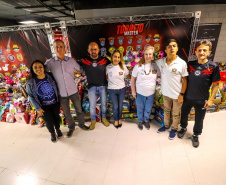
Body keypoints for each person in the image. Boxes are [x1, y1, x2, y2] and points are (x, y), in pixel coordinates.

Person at [177, 40, 220, 148]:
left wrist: (211, 100)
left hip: (202, 99)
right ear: (195, 52)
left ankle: (196, 134)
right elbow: (184, 80)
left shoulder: (213, 67)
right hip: (187, 97)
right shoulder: (190, 65)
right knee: (184, 115)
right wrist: (181, 94)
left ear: (209, 52)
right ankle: (183, 128)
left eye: (204, 50)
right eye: (199, 50)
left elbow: (215, 85)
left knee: (199, 119)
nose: (201, 52)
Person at [45, 39, 89, 138]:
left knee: (79, 109)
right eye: (56, 47)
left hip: (73, 91)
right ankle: (71, 127)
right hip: (61, 94)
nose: (59, 49)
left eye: (61, 46)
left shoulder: (71, 61)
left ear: (65, 48)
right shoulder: (50, 62)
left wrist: (91, 70)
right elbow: (41, 73)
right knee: (66, 113)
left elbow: (81, 70)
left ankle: (81, 124)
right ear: (53, 48)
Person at [156, 39, 188, 139]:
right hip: (165, 93)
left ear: (177, 49)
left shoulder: (181, 63)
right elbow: (149, 60)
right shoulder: (161, 62)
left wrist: (182, 94)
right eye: (169, 46)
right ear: (165, 50)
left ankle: (174, 129)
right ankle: (166, 126)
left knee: (176, 113)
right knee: (166, 110)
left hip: (177, 94)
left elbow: (185, 80)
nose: (172, 48)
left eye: (174, 46)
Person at [78, 42, 111, 130]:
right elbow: (73, 65)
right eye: (91, 49)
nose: (93, 51)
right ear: (88, 50)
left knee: (104, 104)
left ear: (98, 50)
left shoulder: (105, 60)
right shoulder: (84, 60)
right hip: (91, 87)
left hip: (103, 86)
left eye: (95, 49)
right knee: (92, 105)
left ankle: (103, 118)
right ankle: (93, 121)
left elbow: (114, 65)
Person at [26, 60, 62, 142]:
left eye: (40, 67)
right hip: (43, 106)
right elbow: (31, 96)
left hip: (54, 103)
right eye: (35, 67)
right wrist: (37, 108)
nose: (38, 69)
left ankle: (58, 129)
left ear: (44, 68)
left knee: (56, 118)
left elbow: (57, 87)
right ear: (32, 69)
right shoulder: (31, 82)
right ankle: (52, 133)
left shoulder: (50, 76)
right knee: (48, 121)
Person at [131, 46, 160, 130]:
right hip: (140, 93)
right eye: (146, 54)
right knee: (140, 108)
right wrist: (133, 91)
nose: (148, 56)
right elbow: (133, 79)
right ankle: (140, 121)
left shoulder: (155, 66)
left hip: (151, 93)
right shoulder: (138, 66)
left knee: (148, 109)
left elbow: (159, 76)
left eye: (150, 54)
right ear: (143, 55)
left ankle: (146, 120)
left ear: (152, 55)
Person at [106, 49, 130, 128]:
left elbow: (128, 76)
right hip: (112, 90)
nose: (117, 59)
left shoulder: (123, 66)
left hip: (122, 89)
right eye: (115, 57)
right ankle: (116, 120)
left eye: (119, 57)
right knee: (115, 106)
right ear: (112, 57)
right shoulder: (108, 67)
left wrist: (136, 78)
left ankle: (119, 118)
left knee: (120, 106)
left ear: (120, 58)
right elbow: (104, 77)